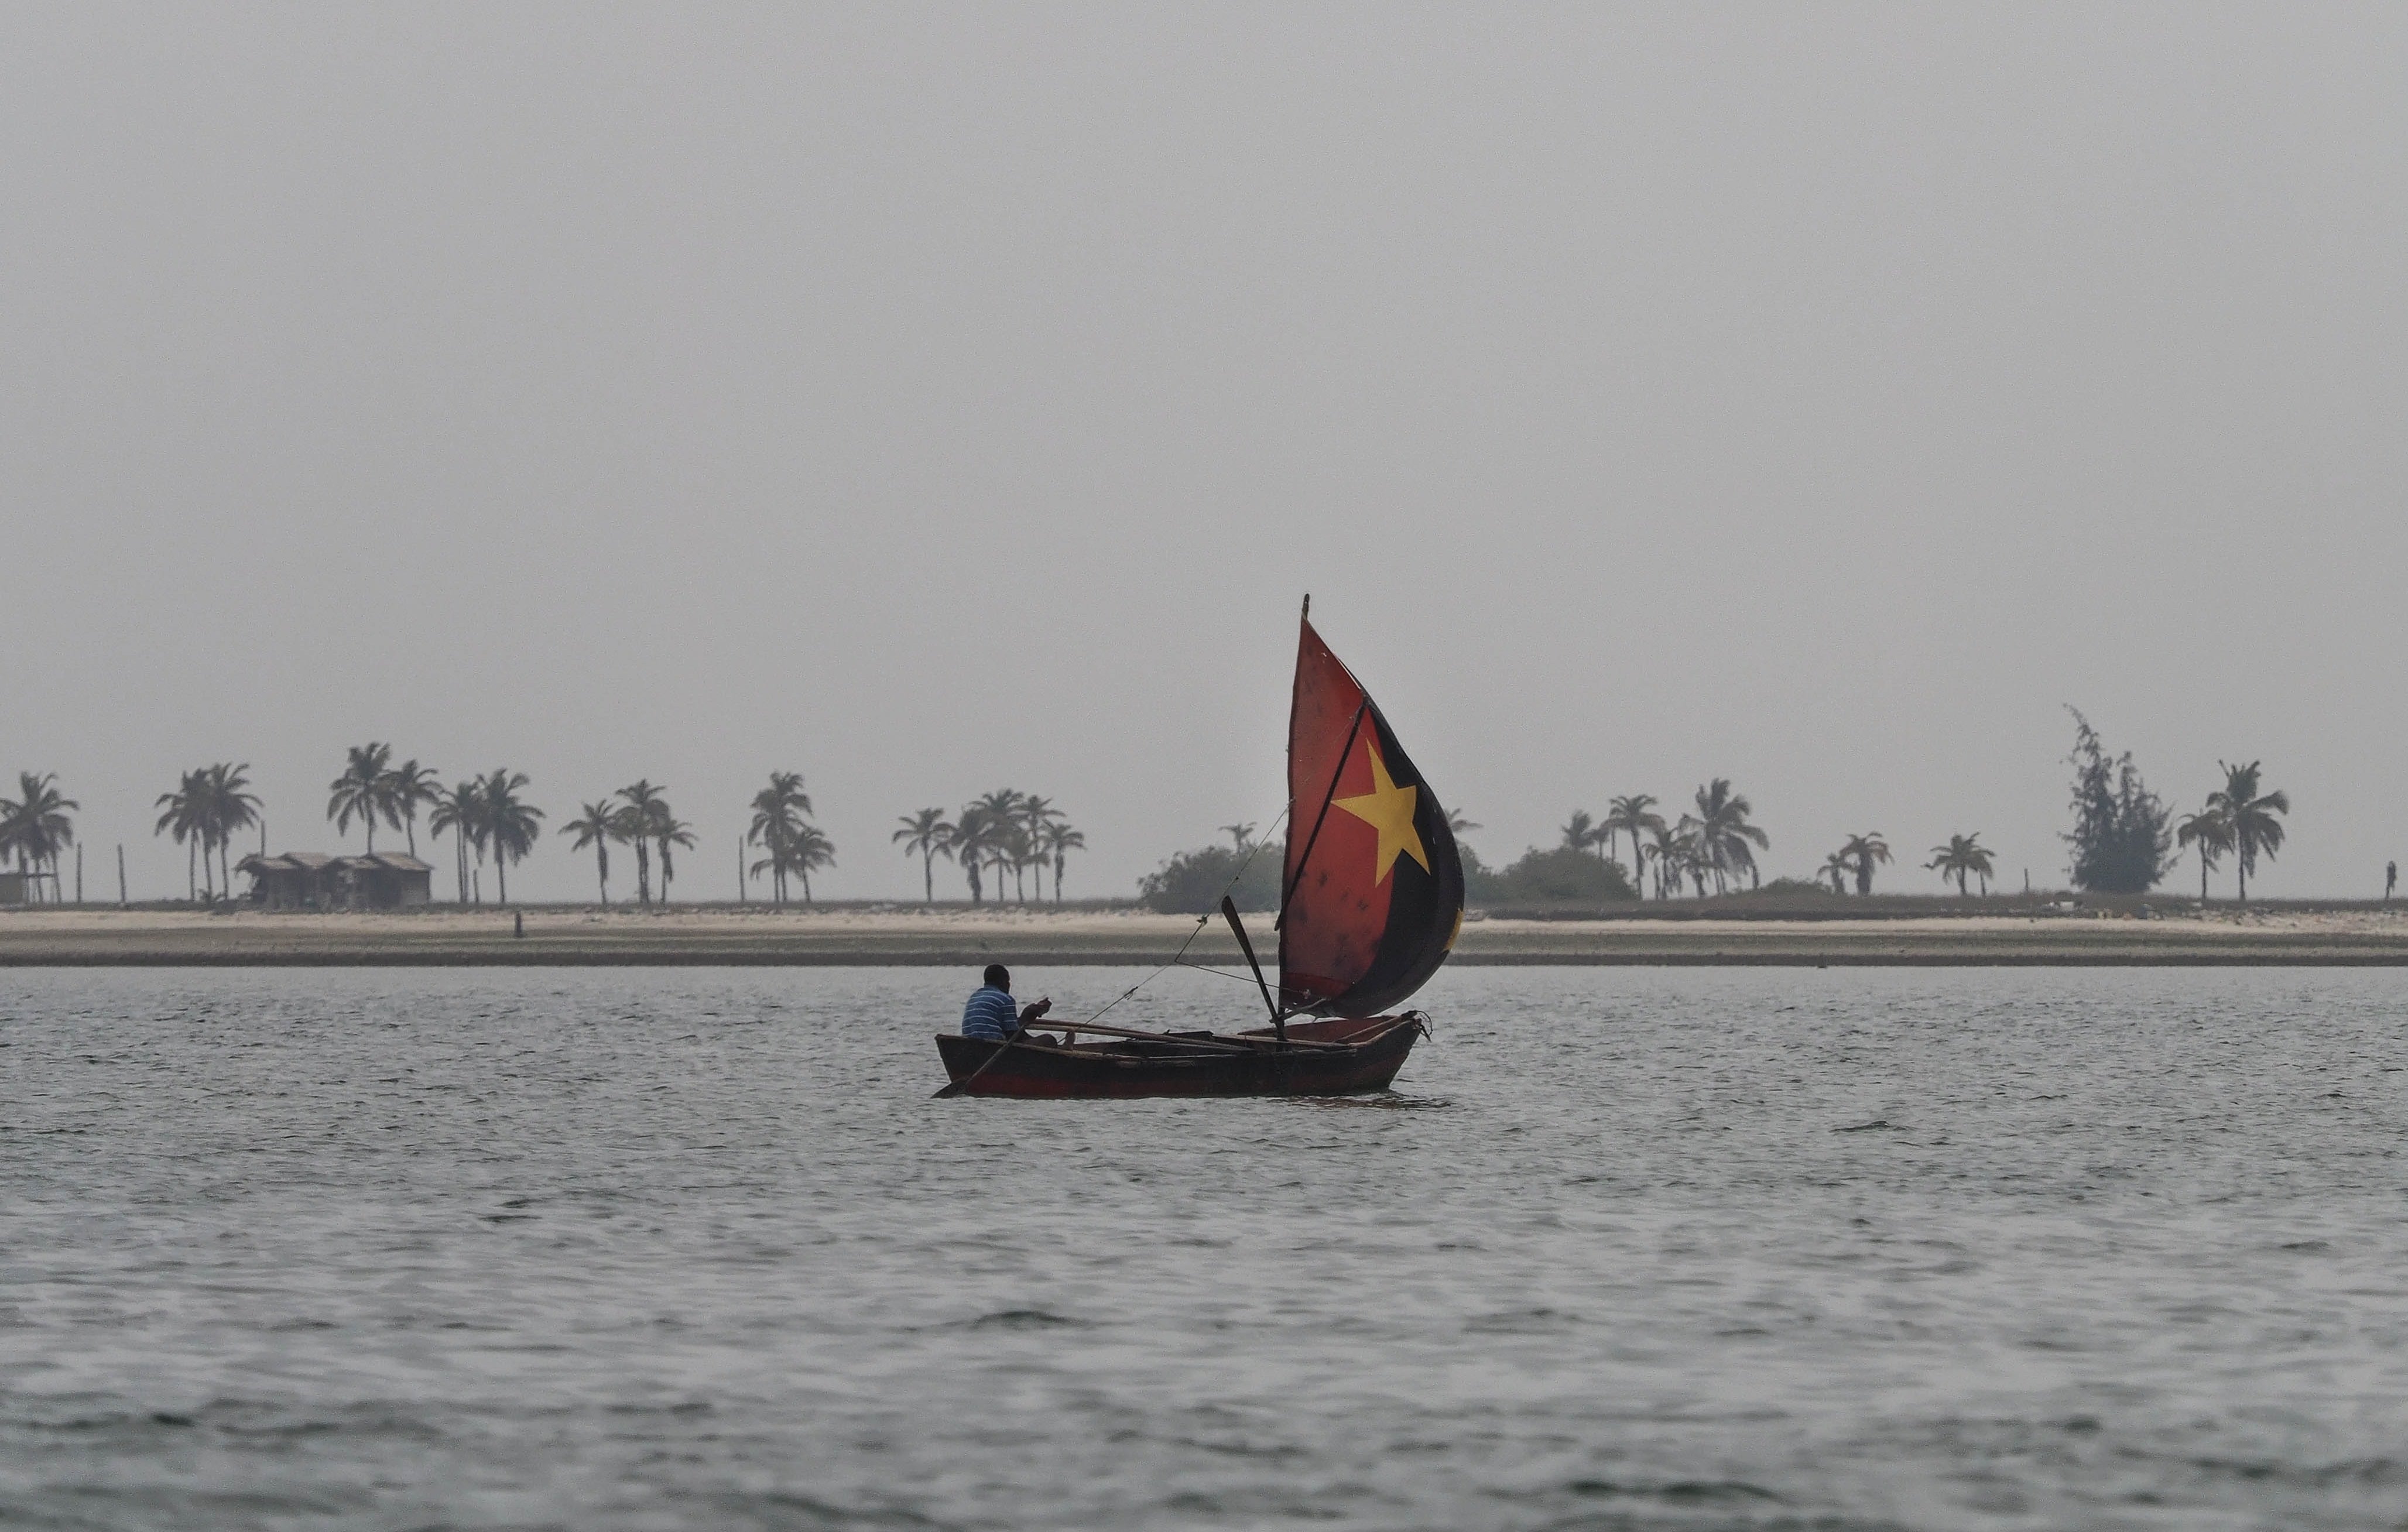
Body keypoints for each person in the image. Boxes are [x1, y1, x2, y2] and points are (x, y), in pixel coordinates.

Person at [961, 963, 1056, 1045]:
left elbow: (1010, 1031)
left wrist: (1029, 1015)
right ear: (1003, 981)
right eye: (1008, 981)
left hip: (969, 1046)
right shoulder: (1005, 999)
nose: (1009, 985)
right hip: (992, 1047)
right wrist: (1027, 1015)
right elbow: (1013, 1036)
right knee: (1049, 1040)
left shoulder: (974, 997)